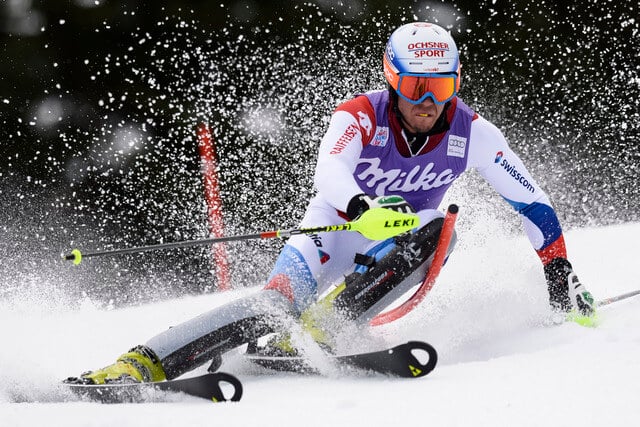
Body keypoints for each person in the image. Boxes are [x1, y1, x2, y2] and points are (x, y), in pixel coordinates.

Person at [70, 22, 595, 385]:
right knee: (274, 306)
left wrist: (558, 270)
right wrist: (362, 206)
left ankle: (322, 328)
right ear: (393, 81)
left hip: (398, 242)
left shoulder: (473, 132)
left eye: (443, 86)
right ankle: (141, 364)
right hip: (333, 231)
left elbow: (531, 201)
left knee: (440, 227)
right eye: (416, 86)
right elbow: (329, 172)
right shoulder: (359, 115)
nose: (430, 101)